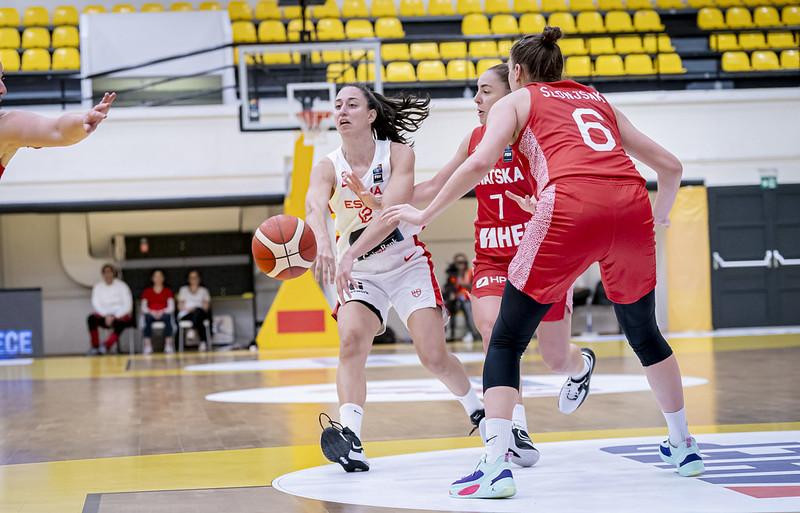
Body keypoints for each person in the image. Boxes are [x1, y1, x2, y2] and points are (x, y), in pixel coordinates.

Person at [384, 28, 703, 498]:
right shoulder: (597, 99)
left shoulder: (517, 102)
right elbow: (670, 166)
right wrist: (660, 217)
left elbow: (476, 165)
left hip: (570, 206)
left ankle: (495, 466)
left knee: (507, 338)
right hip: (632, 205)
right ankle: (684, 445)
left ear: (516, 72)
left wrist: (424, 213)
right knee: (645, 333)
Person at [347, 63, 593, 470]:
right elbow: (435, 186)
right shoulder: (476, 139)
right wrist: (384, 202)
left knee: (555, 358)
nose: (476, 101)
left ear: (512, 92)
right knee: (494, 331)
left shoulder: (539, 136)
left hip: (540, 253)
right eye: (475, 92)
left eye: (485, 92)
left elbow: (567, 187)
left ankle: (580, 365)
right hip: (494, 256)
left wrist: (544, 205)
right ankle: (515, 427)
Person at [306, 84, 484, 473]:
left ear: (371, 114)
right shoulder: (327, 166)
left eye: (352, 104)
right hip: (361, 275)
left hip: (405, 263)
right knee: (351, 342)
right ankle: (351, 437)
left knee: (432, 355)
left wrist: (348, 252)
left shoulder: (399, 154)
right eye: (337, 105)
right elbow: (314, 207)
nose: (342, 111)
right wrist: (322, 242)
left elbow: (390, 216)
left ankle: (477, 410)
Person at [0, 60, 115, 180]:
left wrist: (82, 120)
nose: (3, 89)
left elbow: (57, 130)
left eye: (2, 79)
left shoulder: (6, 126)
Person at [87, 264, 134, 355]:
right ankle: (95, 346)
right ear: (102, 274)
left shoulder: (122, 286)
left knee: (121, 323)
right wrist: (106, 315)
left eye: (110, 272)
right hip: (104, 315)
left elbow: (128, 304)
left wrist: (114, 316)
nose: (108, 275)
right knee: (91, 319)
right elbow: (96, 303)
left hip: (119, 315)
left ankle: (106, 346)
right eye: (105, 273)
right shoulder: (98, 287)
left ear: (113, 273)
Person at [443, 253, 480, 343]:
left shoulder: (470, 273)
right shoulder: (452, 275)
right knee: (445, 308)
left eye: (463, 262)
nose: (461, 265)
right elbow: (448, 288)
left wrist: (465, 284)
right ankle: (449, 335)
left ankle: (475, 334)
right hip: (454, 301)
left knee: (467, 306)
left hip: (469, 299)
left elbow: (475, 287)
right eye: (459, 263)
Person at [141, 269, 176, 355]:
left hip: (163, 313)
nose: (158, 278)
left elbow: (171, 307)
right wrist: (152, 312)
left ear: (163, 278)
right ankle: (148, 345)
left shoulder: (168, 291)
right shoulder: (147, 292)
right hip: (151, 313)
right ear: (152, 278)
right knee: (147, 318)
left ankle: (168, 345)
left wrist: (162, 311)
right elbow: (143, 307)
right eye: (156, 276)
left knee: (168, 318)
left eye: (160, 276)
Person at [177, 269, 212, 351]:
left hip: (200, 313)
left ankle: (192, 329)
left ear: (199, 279)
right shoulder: (183, 290)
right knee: (198, 316)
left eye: (195, 277)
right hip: (186, 314)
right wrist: (190, 309)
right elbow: (180, 306)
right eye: (191, 278)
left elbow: (206, 307)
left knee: (198, 312)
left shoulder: (204, 291)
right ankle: (203, 341)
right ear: (188, 279)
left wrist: (195, 309)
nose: (194, 280)